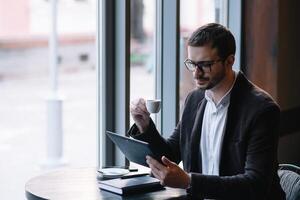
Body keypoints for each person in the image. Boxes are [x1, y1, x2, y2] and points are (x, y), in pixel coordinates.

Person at [129, 23, 285, 199]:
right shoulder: (194, 100)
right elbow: (170, 153)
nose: (196, 74)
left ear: (230, 61)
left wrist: (189, 181)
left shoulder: (262, 110)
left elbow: (255, 184)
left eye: (205, 64)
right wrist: (145, 125)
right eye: (192, 64)